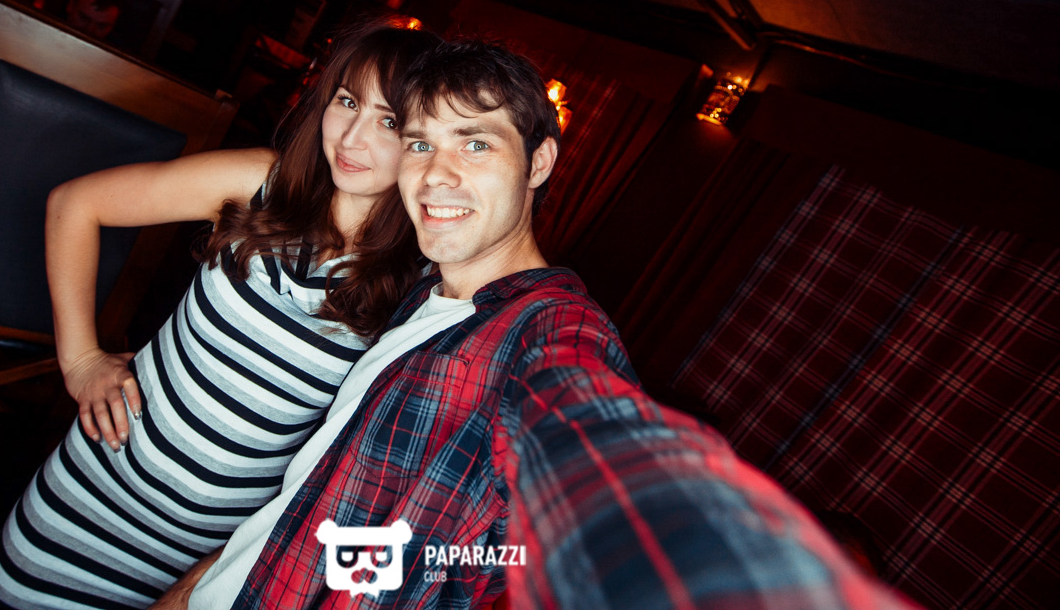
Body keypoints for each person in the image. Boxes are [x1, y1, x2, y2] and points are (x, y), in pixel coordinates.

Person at [157, 39, 917, 609]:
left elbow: (593, 451)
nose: (436, 172)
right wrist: (200, 583)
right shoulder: (420, 295)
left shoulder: (547, 331)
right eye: (420, 143)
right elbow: (317, 486)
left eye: (476, 143)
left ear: (541, 162)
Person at [0, 20, 444, 609]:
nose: (351, 137)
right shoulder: (259, 183)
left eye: (389, 121)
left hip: (201, 556)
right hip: (91, 493)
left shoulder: (420, 283)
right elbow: (75, 204)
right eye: (347, 102)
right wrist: (81, 360)